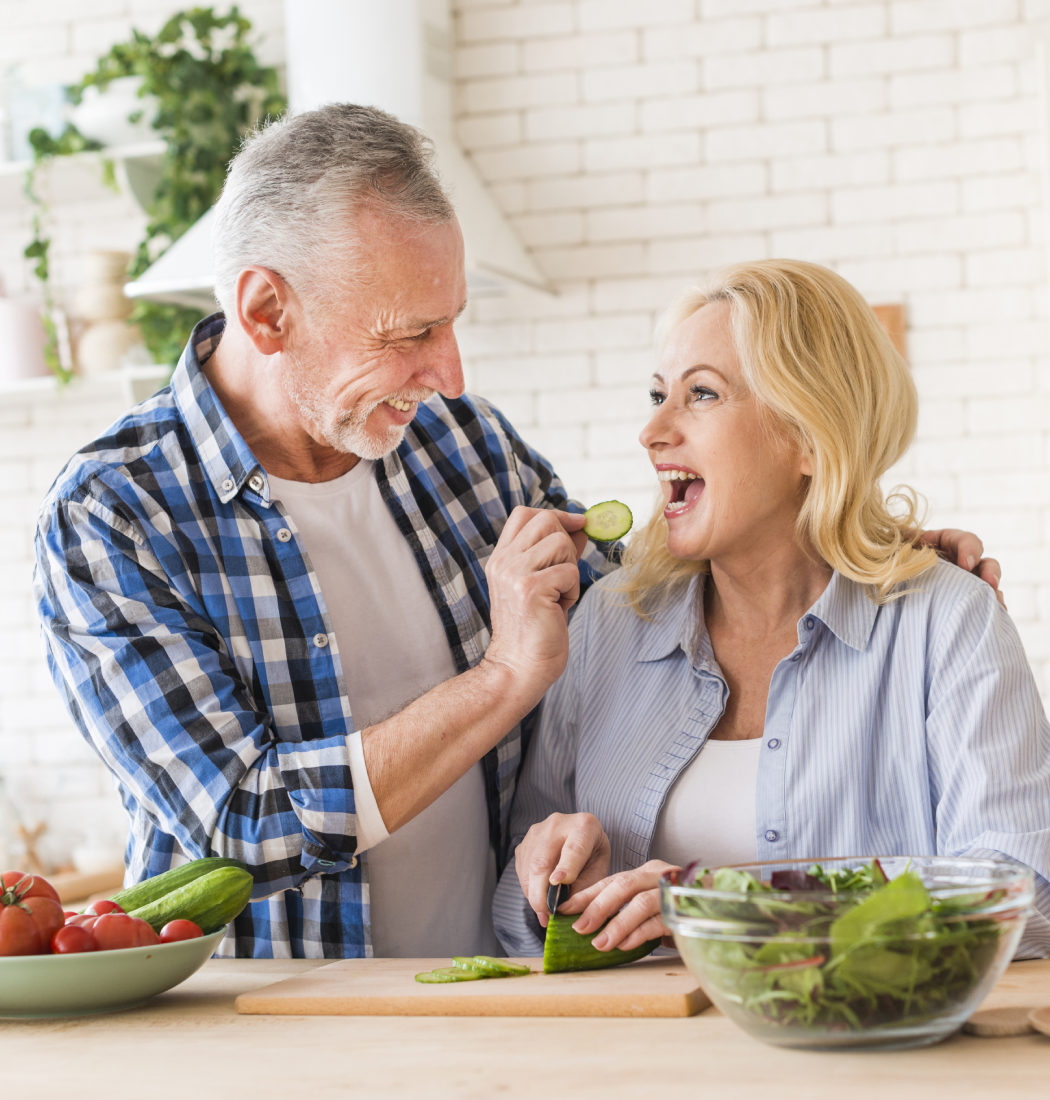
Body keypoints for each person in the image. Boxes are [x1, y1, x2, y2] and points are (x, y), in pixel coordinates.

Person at [34, 105, 994, 960]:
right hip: (269, 1029)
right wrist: (502, 679)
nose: (448, 374)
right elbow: (240, 825)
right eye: (409, 333)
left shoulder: (464, 446)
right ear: (268, 310)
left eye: (452, 323)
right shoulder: (115, 516)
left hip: (485, 997)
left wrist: (871, 555)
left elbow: (647, 612)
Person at [493, 259, 1050, 963]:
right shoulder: (607, 622)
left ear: (811, 438)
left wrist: (737, 909)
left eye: (701, 394)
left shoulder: (948, 622)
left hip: (864, 1064)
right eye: (658, 393)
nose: (652, 430)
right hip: (636, 1063)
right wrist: (562, 888)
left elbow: (1019, 897)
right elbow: (515, 923)